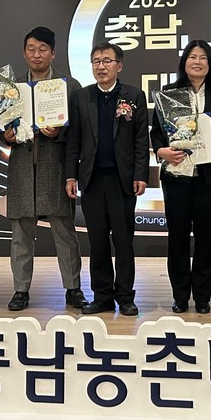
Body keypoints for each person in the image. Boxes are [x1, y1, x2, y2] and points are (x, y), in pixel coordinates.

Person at [2, 26, 86, 311]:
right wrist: (6, 137)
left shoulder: (69, 86)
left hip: (56, 165)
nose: (36, 54)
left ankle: (73, 288)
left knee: (64, 231)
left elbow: (79, 131)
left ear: (53, 53)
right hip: (22, 166)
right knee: (21, 234)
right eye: (31, 49)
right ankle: (20, 290)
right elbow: (1, 126)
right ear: (24, 52)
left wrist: (59, 133)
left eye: (42, 49)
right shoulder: (11, 88)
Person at [65, 42, 149, 316]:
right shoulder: (81, 97)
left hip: (122, 180)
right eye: (96, 61)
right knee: (98, 241)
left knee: (123, 241)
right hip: (92, 179)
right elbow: (73, 140)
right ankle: (102, 296)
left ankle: (125, 296)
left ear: (119, 66)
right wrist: (70, 175)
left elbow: (140, 139)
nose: (101, 66)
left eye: (107, 61)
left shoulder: (133, 96)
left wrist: (141, 174)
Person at [150, 40, 211, 314]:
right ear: (184, 62)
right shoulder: (168, 94)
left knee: (206, 238)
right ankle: (180, 296)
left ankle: (203, 296)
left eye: (203, 58)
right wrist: (161, 151)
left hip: (209, 176)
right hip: (177, 175)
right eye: (192, 57)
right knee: (178, 238)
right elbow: (157, 132)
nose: (197, 62)